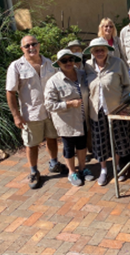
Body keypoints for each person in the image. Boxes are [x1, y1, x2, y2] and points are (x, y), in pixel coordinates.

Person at [6, 35, 66, 189]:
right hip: (30, 114)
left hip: (51, 110)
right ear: (22, 49)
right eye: (27, 46)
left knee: (52, 138)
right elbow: (10, 92)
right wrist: (16, 115)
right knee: (31, 144)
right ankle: (34, 172)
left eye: (34, 44)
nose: (31, 47)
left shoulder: (50, 64)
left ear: (39, 45)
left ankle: (54, 163)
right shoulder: (16, 66)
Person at [84, 38, 130, 186]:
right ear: (92, 52)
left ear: (107, 50)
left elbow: (127, 86)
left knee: (117, 138)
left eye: (102, 49)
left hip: (115, 108)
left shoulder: (117, 63)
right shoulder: (87, 66)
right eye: (96, 50)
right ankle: (104, 169)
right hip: (96, 110)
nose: (99, 52)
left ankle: (118, 166)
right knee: (100, 141)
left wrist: (122, 104)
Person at [44, 49, 94, 186]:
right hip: (67, 122)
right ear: (58, 63)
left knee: (82, 145)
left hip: (82, 117)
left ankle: (83, 168)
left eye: (70, 60)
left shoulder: (82, 75)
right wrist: (68, 104)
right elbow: (49, 104)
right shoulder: (53, 82)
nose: (68, 63)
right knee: (69, 147)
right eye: (64, 61)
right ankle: (72, 172)